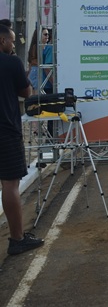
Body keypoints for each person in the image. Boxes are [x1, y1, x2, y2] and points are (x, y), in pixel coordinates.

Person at [0, 24, 45, 255]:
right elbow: (27, 92)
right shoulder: (11, 62)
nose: (13, 44)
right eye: (11, 40)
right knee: (10, 183)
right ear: (2, 41)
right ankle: (17, 239)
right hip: (6, 130)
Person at [27, 28, 53, 94]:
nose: (47, 36)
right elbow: (32, 62)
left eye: (48, 34)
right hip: (38, 76)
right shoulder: (37, 47)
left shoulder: (35, 47)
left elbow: (30, 64)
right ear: (39, 36)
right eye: (45, 34)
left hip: (35, 75)